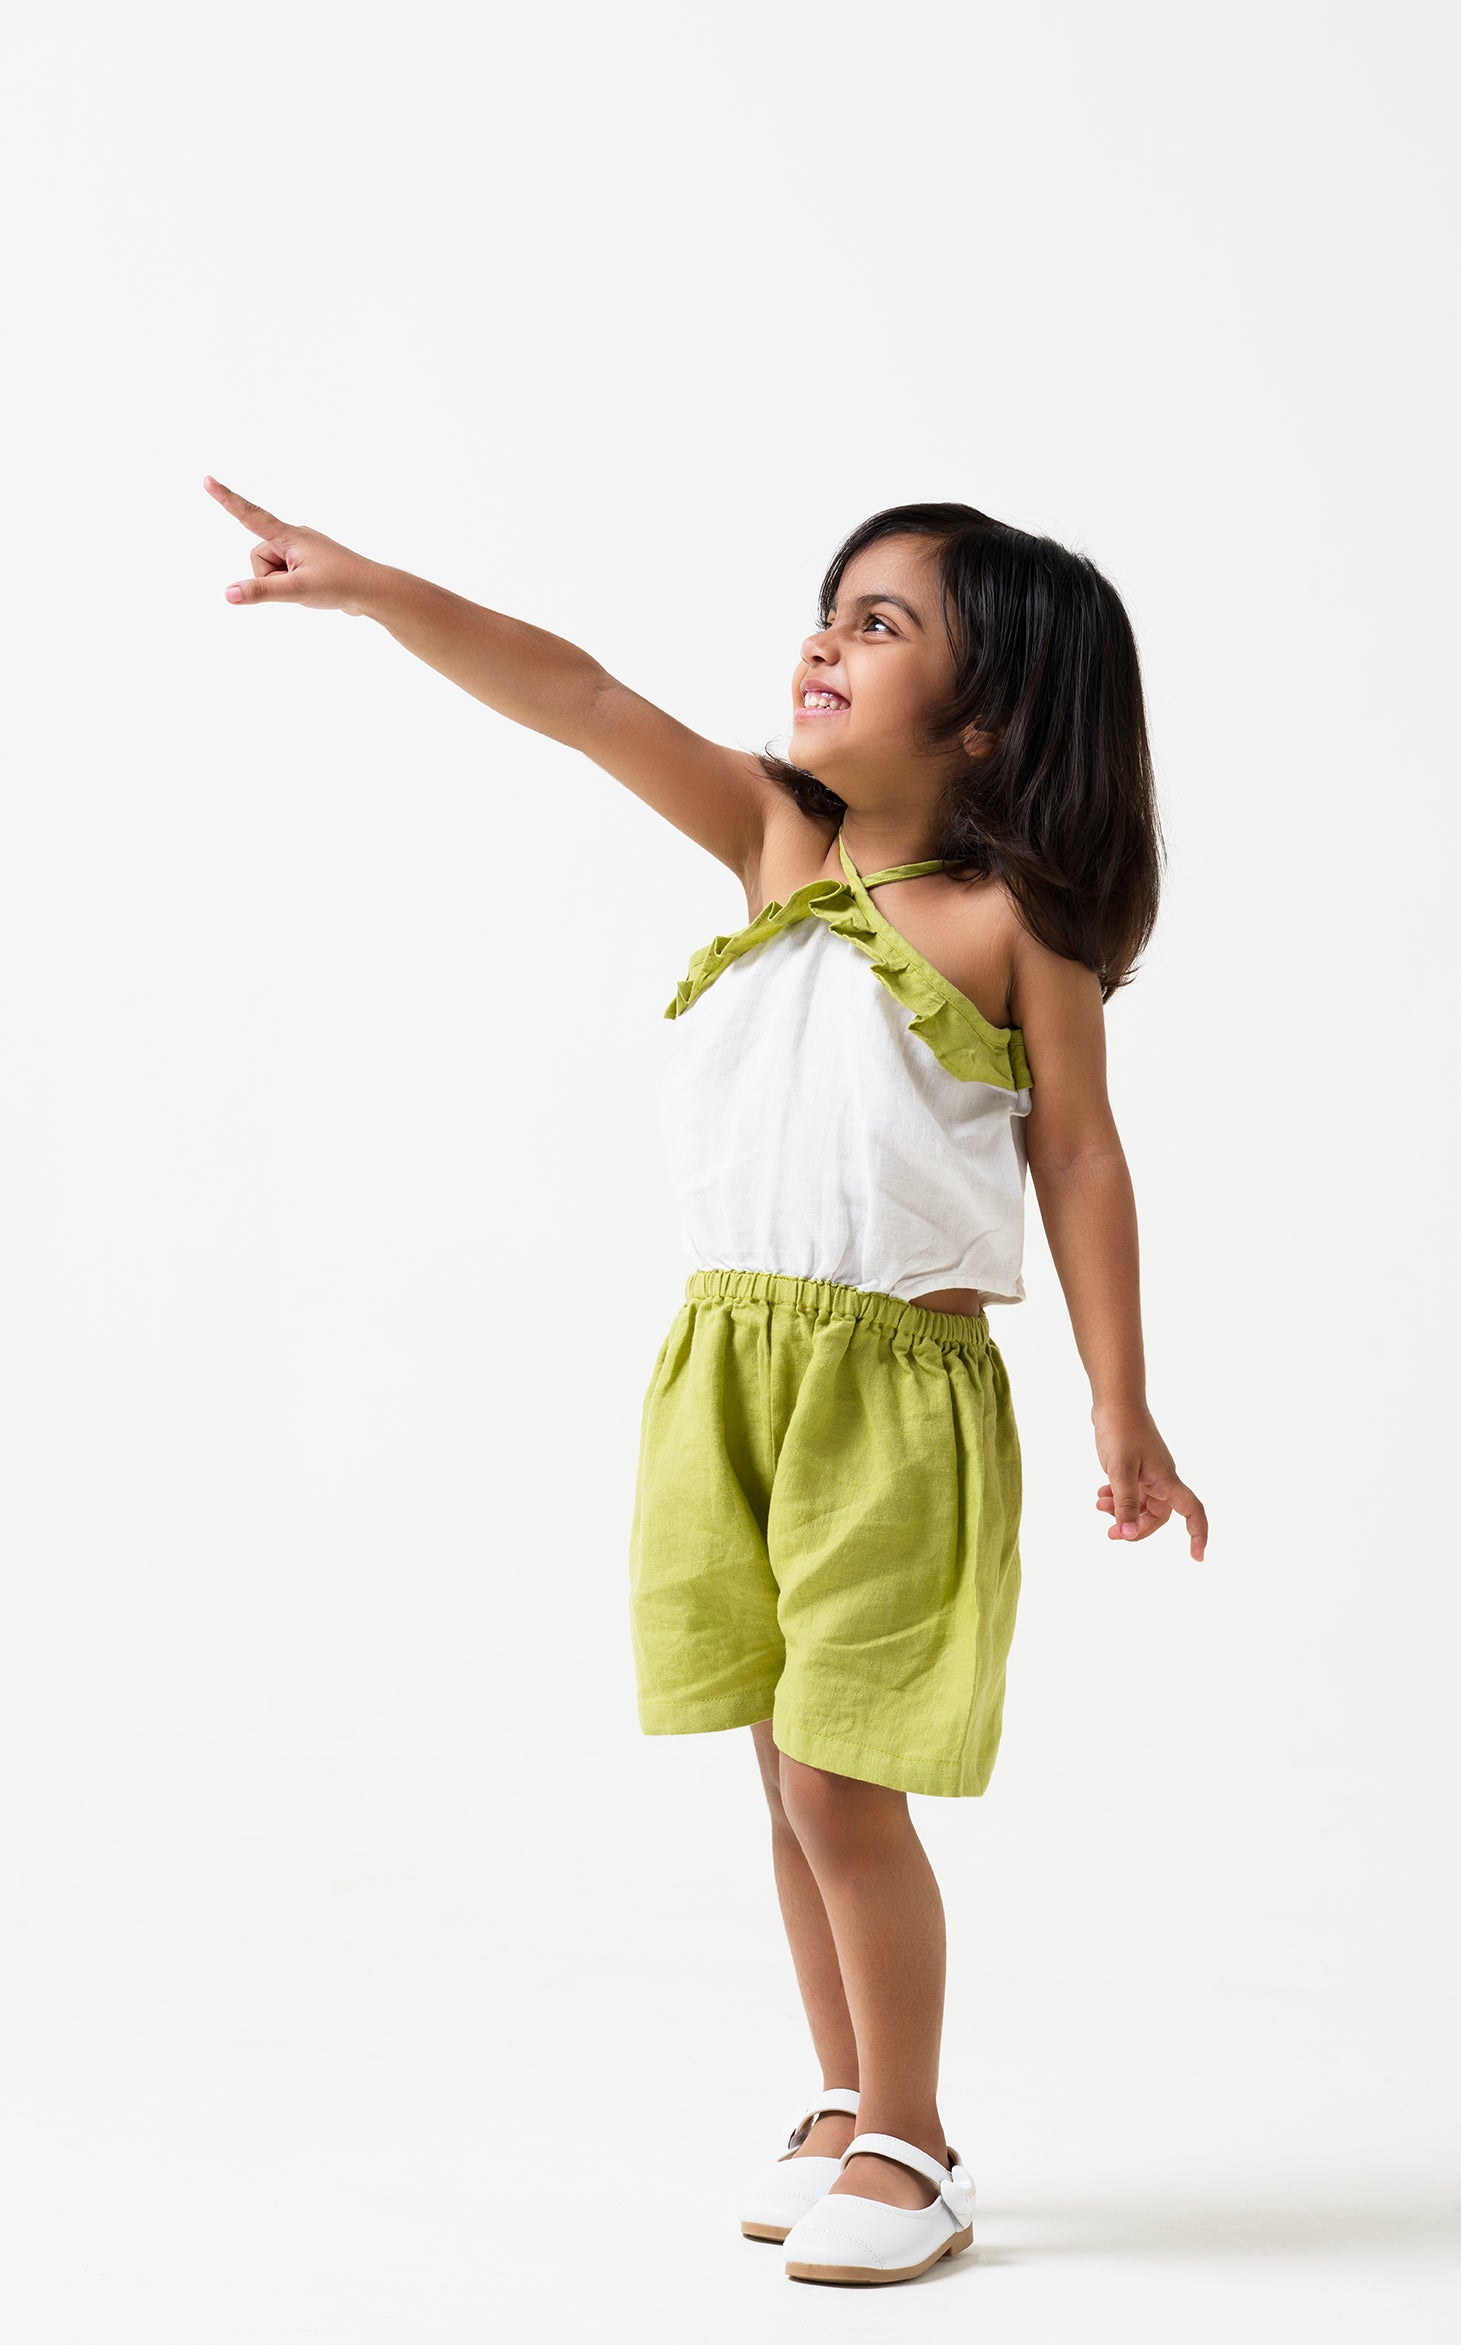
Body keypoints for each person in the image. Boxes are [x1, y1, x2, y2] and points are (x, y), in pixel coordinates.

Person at [205, 481, 1209, 2288]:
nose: (824, 637)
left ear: (988, 718)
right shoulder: (774, 842)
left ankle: (913, 2130)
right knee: (776, 1767)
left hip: (894, 1391)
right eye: (830, 605)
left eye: (883, 623)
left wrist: (1120, 1404)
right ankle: (838, 2100)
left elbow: (1082, 1165)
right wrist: (375, 593)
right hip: (725, 1367)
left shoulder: (1009, 925)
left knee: (841, 1778)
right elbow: (580, 695)